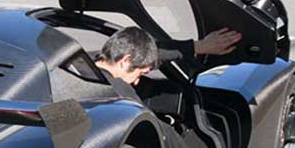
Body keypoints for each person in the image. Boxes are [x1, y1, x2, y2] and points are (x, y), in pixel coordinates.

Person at [95, 27, 243, 86]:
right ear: (125, 61)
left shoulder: (87, 61)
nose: (137, 82)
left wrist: (199, 46)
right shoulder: (118, 93)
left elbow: (159, 53)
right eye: (140, 74)